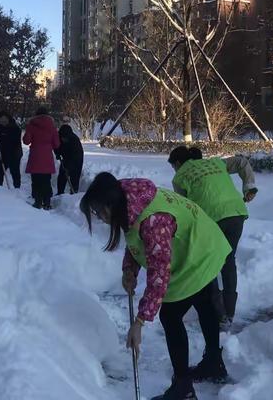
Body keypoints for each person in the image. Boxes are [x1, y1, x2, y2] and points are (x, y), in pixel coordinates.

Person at [80, 173, 232, 400]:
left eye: (98, 211)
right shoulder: (129, 198)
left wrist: (139, 322)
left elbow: (159, 273)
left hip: (200, 251)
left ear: (111, 205)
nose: (99, 217)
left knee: (170, 315)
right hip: (199, 243)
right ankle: (213, 363)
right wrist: (129, 269)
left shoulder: (153, 221)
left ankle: (184, 389)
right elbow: (135, 238)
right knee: (203, 301)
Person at [168, 146, 258, 329]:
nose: (175, 170)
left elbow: (185, 208)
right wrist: (249, 187)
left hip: (211, 219)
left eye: (173, 166)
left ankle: (219, 313)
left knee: (207, 262)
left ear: (177, 163)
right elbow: (241, 161)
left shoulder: (179, 177)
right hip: (236, 213)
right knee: (228, 258)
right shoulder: (215, 162)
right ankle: (230, 311)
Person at [23, 107, 60, 210]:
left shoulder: (32, 125)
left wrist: (28, 131)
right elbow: (57, 144)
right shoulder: (52, 127)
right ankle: (47, 202)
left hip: (35, 156)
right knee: (46, 180)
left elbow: (26, 141)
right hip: (47, 157)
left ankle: (38, 202)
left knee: (36, 180)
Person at [0, 111, 23, 189]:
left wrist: (7, 155)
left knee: (15, 172)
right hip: (3, 152)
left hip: (15, 153)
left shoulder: (15, 128)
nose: (2, 123)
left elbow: (14, 144)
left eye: (4, 121)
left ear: (8, 119)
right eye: (1, 121)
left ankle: (17, 190)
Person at [55, 124, 84, 195]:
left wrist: (69, 167)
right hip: (65, 158)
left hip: (76, 160)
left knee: (75, 176)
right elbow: (56, 146)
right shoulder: (59, 137)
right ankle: (60, 193)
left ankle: (74, 194)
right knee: (62, 175)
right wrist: (58, 153)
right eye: (62, 138)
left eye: (65, 138)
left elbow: (76, 156)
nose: (63, 139)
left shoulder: (75, 141)